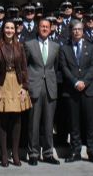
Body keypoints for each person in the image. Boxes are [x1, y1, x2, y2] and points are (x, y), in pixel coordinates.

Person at [0, 20, 31, 167]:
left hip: (17, 82)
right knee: (3, 120)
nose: (9, 30)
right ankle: (4, 154)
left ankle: (16, 153)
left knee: (17, 119)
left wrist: (25, 86)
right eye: (7, 27)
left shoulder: (20, 45)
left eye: (12, 28)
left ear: (15, 30)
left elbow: (25, 67)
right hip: (3, 82)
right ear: (3, 29)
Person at [58, 20, 93, 164]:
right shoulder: (64, 48)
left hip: (89, 90)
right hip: (71, 90)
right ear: (71, 31)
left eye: (79, 29)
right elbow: (64, 68)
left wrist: (84, 82)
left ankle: (92, 152)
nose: (76, 32)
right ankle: (75, 151)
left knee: (90, 123)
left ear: (83, 31)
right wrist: (75, 82)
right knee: (74, 124)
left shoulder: (92, 47)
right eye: (74, 29)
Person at [23, 19, 61, 165]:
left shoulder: (56, 46)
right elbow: (25, 67)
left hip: (50, 87)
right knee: (34, 122)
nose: (44, 28)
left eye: (47, 26)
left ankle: (48, 153)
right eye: (42, 26)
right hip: (35, 87)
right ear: (37, 28)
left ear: (50, 29)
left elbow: (55, 67)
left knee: (49, 122)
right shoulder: (29, 45)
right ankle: (33, 153)